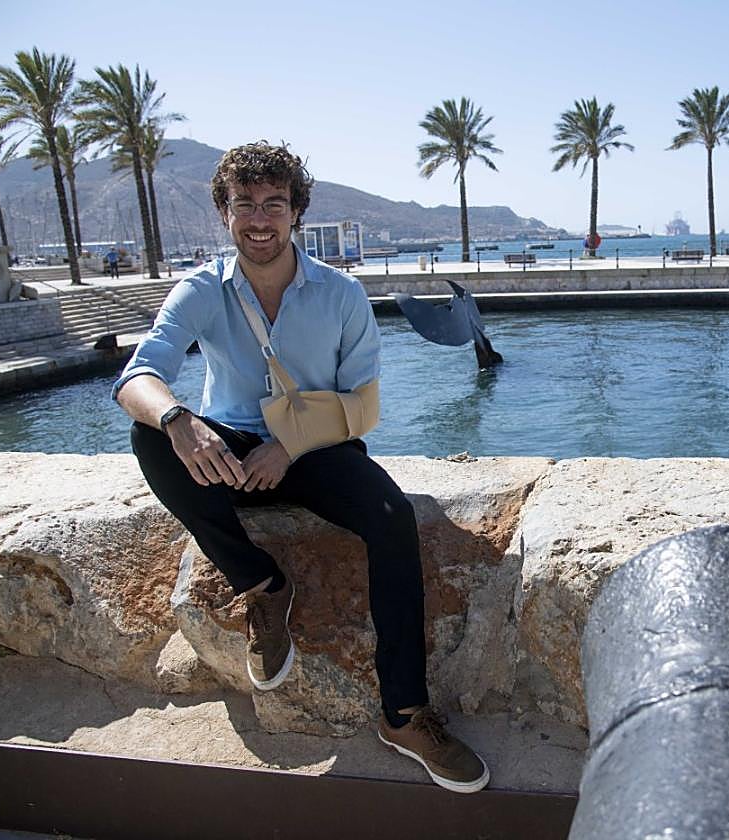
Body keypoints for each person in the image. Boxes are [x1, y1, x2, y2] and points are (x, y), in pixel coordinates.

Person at [112, 141, 489, 794]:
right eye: (245, 205)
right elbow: (139, 374)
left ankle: (403, 713)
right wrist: (178, 419)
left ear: (297, 214)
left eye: (274, 205)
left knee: (393, 518)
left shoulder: (340, 295)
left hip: (312, 453)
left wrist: (287, 446)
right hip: (227, 454)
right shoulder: (202, 289)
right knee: (149, 433)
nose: (260, 219)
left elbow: (362, 404)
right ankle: (262, 585)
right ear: (224, 213)